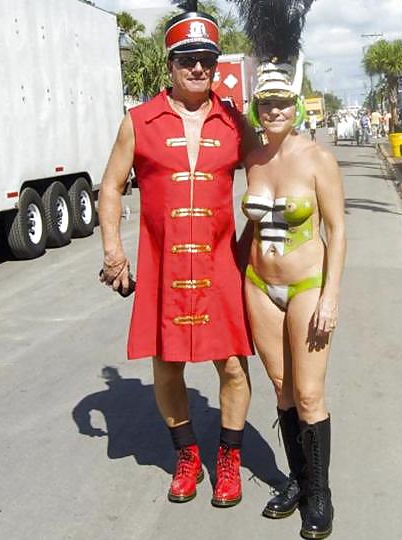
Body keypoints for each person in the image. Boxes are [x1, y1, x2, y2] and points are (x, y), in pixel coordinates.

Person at [97, 8, 257, 508]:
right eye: (187, 58)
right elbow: (110, 185)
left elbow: (269, 174)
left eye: (206, 59)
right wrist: (113, 250)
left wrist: (264, 240)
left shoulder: (234, 121)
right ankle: (186, 454)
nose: (197, 68)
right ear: (170, 64)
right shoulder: (139, 121)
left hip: (219, 268)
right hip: (165, 270)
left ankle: (227, 458)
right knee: (167, 367)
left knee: (231, 367)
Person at [235, 1, 346, 537]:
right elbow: (246, 229)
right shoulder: (252, 159)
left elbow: (338, 230)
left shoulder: (318, 158)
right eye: (266, 103)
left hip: (305, 283)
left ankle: (320, 495)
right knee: (280, 386)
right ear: (257, 107)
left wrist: (330, 295)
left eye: (282, 101)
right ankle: (297, 480)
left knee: (308, 393)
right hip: (259, 282)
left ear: (295, 104)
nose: (275, 109)